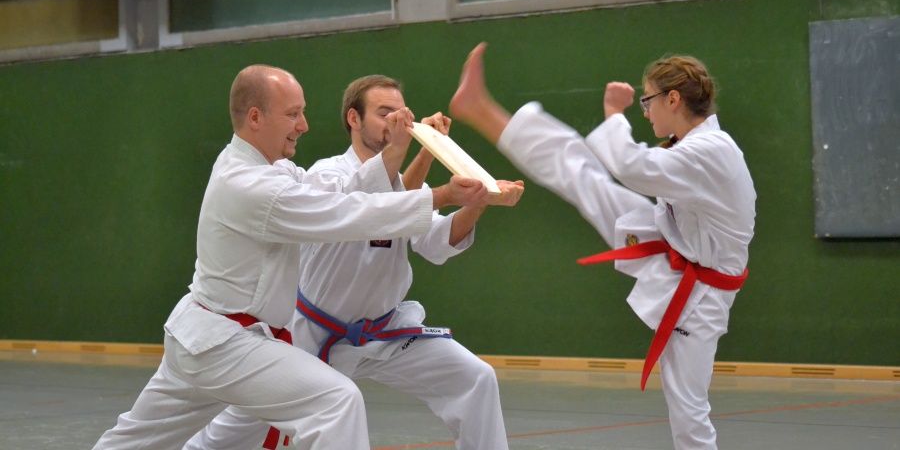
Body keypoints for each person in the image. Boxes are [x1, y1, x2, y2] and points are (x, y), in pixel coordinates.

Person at [92, 65, 493, 450]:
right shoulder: (255, 186)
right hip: (229, 343)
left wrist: (406, 152)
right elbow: (347, 213)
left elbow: (347, 194)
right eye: (293, 114)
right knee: (335, 402)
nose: (303, 125)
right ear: (255, 117)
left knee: (135, 440)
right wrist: (442, 195)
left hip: (207, 336)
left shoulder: (267, 168)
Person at [185, 75, 524, 450]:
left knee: (475, 378)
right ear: (354, 119)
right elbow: (370, 207)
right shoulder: (326, 175)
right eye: (384, 113)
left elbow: (436, 242)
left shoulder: (403, 186)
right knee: (234, 432)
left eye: (402, 113)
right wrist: (432, 174)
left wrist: (476, 200)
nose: (397, 121)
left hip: (384, 331)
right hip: (316, 335)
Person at [447, 43, 755, 450]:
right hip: (674, 246)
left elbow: (632, 166)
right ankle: (481, 110)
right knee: (583, 177)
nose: (646, 111)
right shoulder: (697, 145)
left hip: (700, 291)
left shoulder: (710, 152)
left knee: (688, 409)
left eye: (648, 101)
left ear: (673, 99)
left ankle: (481, 109)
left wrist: (613, 114)